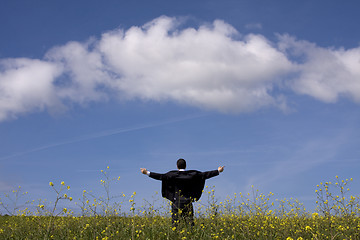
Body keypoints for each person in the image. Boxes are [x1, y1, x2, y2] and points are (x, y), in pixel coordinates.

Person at [140, 158, 224, 226]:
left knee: (175, 224)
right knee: (190, 223)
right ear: (186, 166)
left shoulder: (172, 175)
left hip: (177, 202)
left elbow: (160, 176)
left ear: (177, 166)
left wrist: (146, 172)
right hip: (188, 202)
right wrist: (218, 171)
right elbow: (205, 175)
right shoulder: (192, 175)